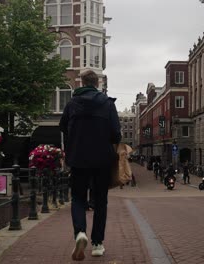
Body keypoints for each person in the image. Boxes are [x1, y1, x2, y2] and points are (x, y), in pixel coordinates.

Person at [59, 70, 121, 261]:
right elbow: (116, 134)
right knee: (101, 201)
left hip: (78, 158)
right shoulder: (108, 104)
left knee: (78, 198)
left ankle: (80, 233)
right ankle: (97, 244)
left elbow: (62, 127)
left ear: (81, 82)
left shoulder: (72, 103)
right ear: (97, 83)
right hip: (102, 160)